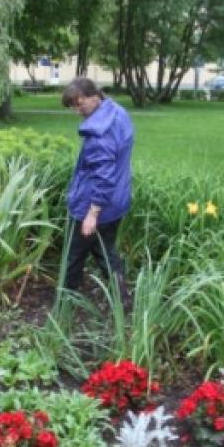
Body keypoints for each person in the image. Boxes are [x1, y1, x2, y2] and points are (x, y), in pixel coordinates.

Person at [60, 78, 134, 304]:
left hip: (92, 205)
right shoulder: (117, 113)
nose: (77, 111)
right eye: (73, 107)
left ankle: (65, 302)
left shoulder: (98, 135)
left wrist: (92, 214)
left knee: (74, 255)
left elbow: (103, 178)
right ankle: (122, 299)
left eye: (79, 104)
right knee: (104, 249)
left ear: (94, 96)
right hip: (117, 200)